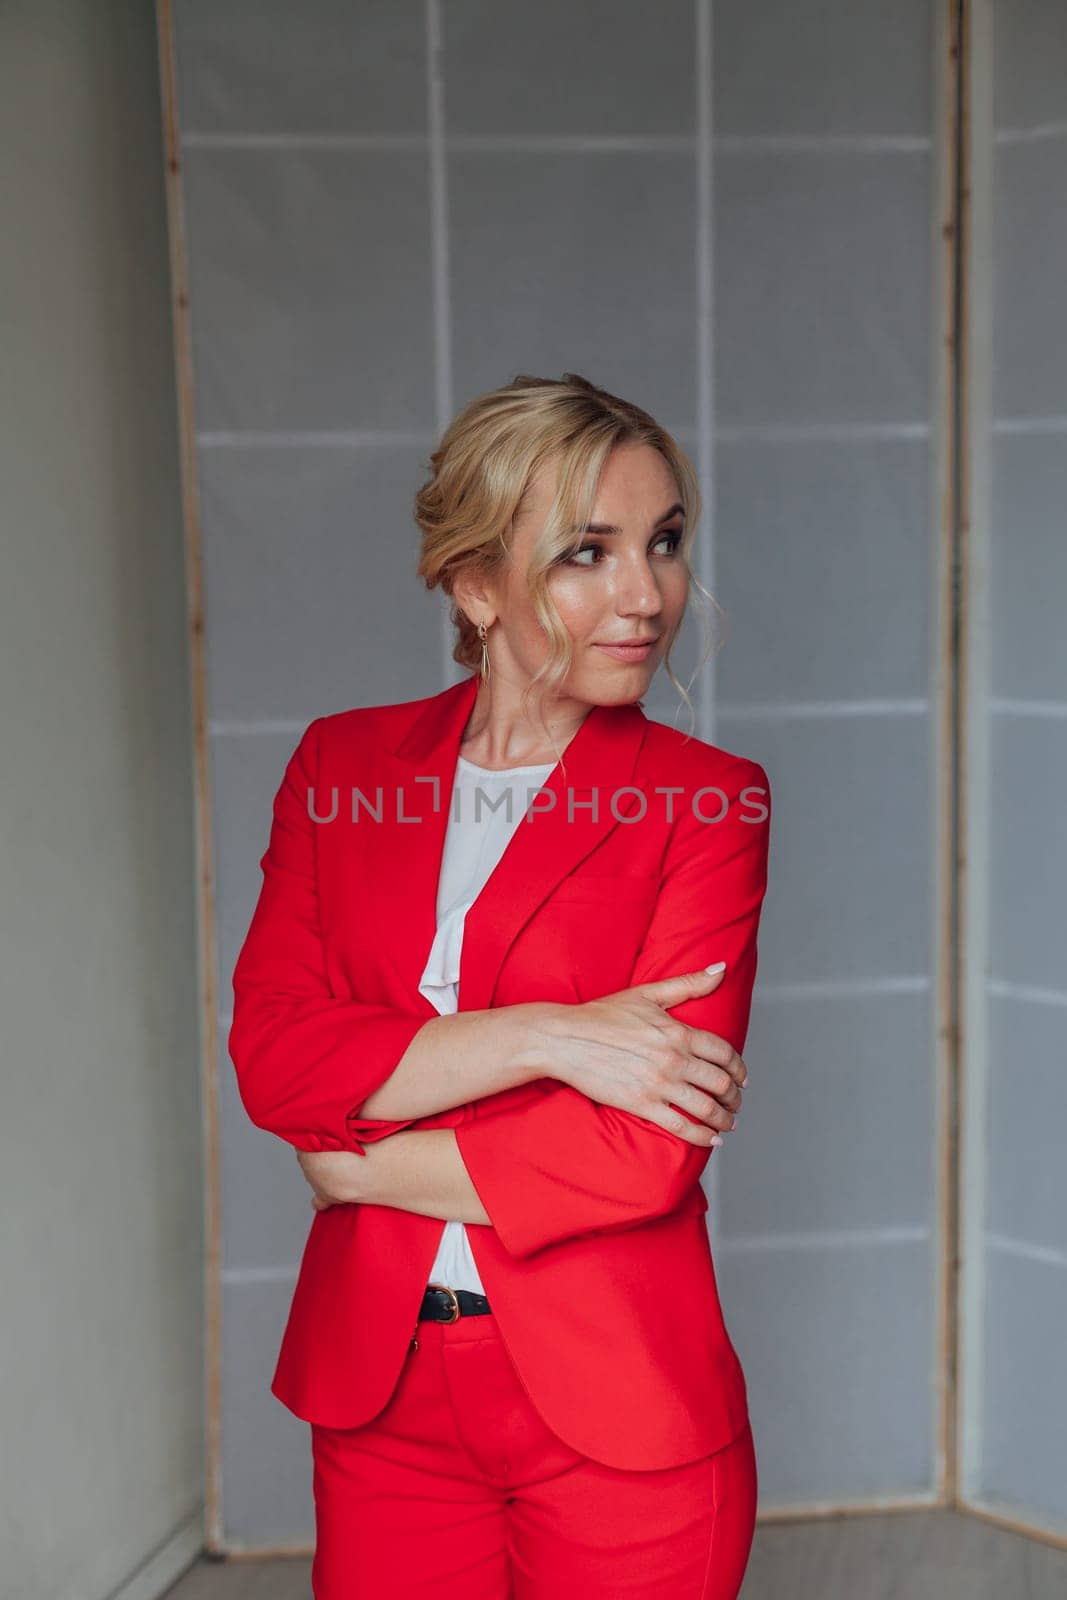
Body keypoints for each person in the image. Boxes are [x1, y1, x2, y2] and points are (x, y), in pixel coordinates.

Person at [229, 372, 772, 1598]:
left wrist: (360, 1160)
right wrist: (553, 1036)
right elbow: (276, 1058)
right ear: (474, 587)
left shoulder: (708, 800)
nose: (646, 595)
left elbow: (643, 1149)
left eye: (664, 543)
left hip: (621, 1407)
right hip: (384, 1408)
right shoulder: (341, 766)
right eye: (587, 552)